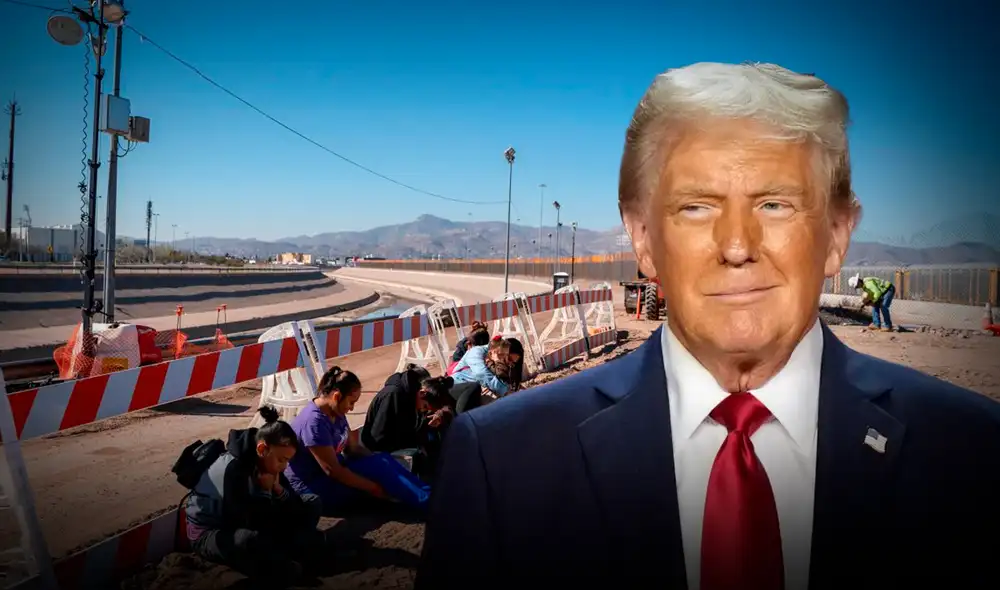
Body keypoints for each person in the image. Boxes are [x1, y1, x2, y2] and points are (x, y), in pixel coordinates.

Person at [418, 62, 1000, 589]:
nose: (738, 245)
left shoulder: (973, 457)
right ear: (644, 238)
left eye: (776, 203)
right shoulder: (502, 464)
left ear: (838, 234)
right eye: (697, 206)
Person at [182, 406, 325, 586]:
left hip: (259, 519)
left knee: (312, 503)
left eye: (288, 460)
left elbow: (293, 505)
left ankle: (285, 551)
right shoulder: (233, 470)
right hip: (214, 531)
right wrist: (265, 492)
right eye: (282, 460)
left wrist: (279, 490)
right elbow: (248, 522)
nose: (284, 466)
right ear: (263, 449)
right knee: (250, 540)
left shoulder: (270, 464)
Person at [284, 365, 432, 514]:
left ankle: (429, 495)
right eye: (351, 402)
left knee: (383, 460)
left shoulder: (335, 410)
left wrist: (381, 463)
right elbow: (333, 471)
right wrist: (374, 487)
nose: (352, 408)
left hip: (334, 473)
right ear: (336, 396)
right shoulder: (314, 423)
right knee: (381, 472)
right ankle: (429, 504)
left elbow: (353, 448)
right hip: (314, 486)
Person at [360, 366, 455, 477]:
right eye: (424, 407)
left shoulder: (417, 394)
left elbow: (449, 406)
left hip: (405, 441)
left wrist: (439, 415)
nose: (423, 410)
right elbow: (378, 439)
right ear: (422, 393)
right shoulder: (393, 395)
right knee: (419, 456)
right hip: (382, 450)